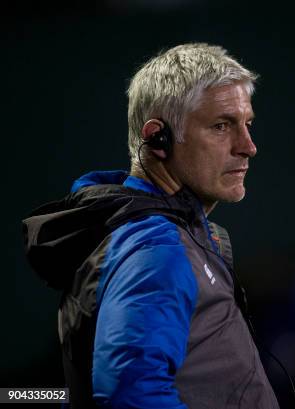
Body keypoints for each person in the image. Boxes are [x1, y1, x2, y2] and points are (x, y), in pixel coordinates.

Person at [23, 43, 280, 409]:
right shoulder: (155, 248)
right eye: (221, 126)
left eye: (247, 124)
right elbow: (129, 395)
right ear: (157, 137)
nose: (248, 146)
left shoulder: (176, 234)